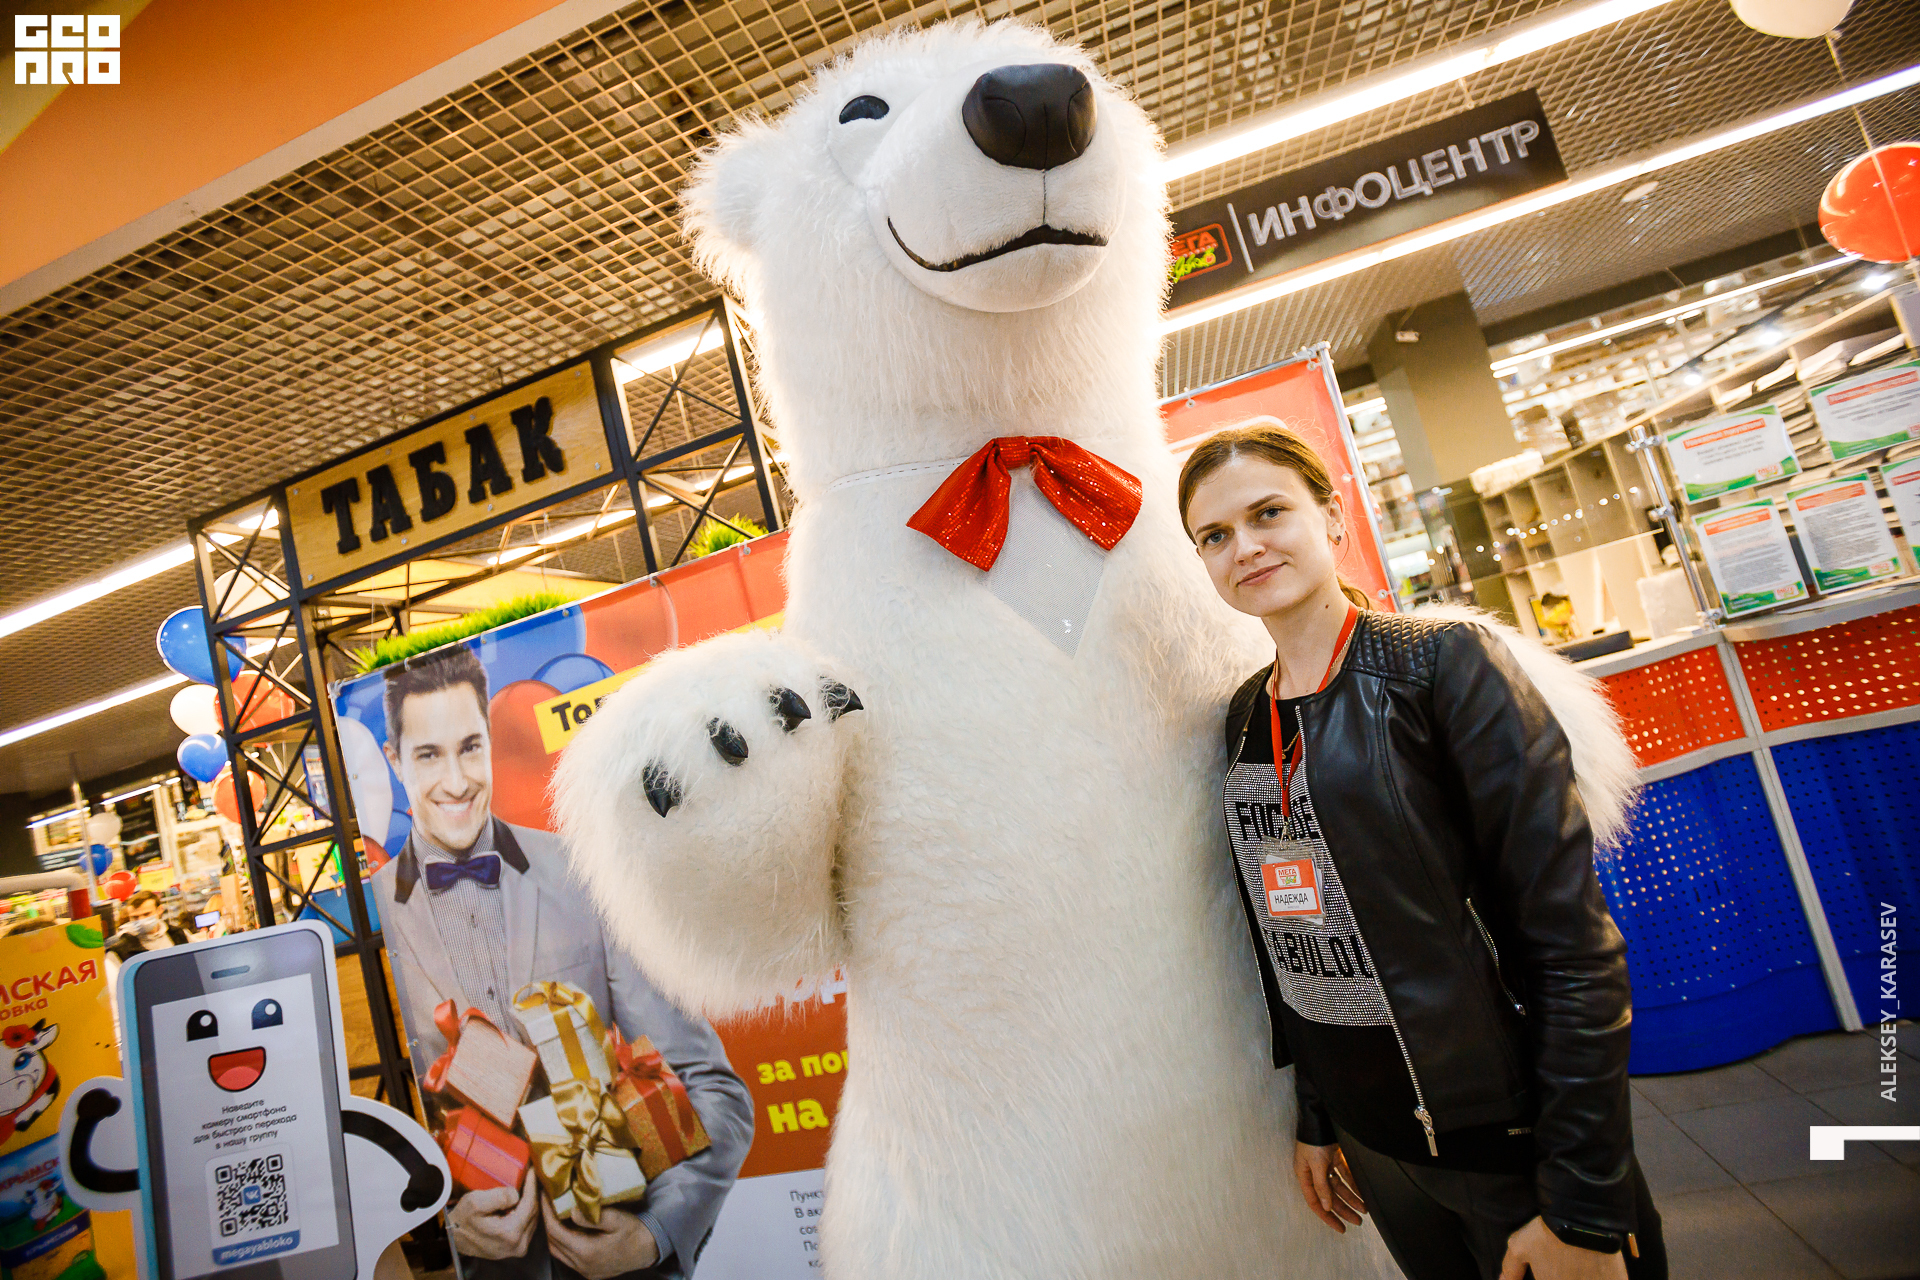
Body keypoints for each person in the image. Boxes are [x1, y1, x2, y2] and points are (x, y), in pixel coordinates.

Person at [1177, 423, 1665, 1280]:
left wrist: (1585, 1201)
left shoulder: (1439, 666)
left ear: (1332, 516)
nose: (1244, 547)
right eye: (1214, 536)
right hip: (1376, 1148)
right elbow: (1295, 934)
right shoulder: (1246, 715)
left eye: (1268, 513)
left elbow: (1570, 945)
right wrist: (1319, 1115)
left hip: (1505, 1144)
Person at [368, 644, 752, 1280]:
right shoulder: (366, 925)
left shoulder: (586, 872)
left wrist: (652, 1236)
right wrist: (448, 1228)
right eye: (428, 755)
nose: (457, 781)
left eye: (469, 747)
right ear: (394, 760)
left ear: (490, 742)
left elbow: (714, 1090)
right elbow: (363, 1154)